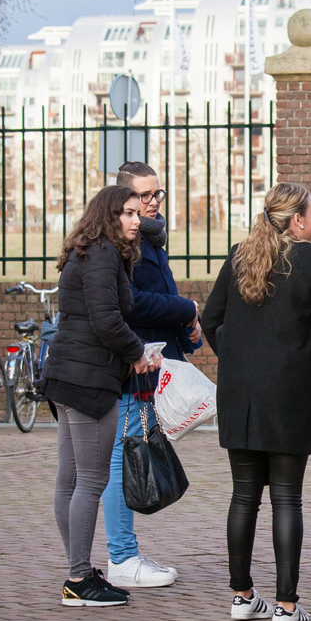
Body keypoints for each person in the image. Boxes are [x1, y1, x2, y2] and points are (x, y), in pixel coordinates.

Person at [200, 182, 311, 621]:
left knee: (244, 495)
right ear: (297, 220)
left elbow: (212, 320)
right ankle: (286, 607)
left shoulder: (240, 254)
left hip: (238, 393)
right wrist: (309, 362)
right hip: (289, 391)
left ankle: (241, 596)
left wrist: (238, 358)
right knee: (287, 497)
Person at [41, 184, 154, 608]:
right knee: (90, 480)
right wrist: (139, 353)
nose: (135, 220)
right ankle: (78, 579)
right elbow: (107, 321)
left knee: (69, 479)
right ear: (108, 215)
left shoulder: (84, 251)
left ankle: (81, 569)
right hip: (89, 380)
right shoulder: (104, 255)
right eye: (127, 213)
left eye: (136, 213)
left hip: (65, 373)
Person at [102, 161, 204, 590]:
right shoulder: (124, 240)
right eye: (143, 196)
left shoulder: (152, 236)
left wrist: (187, 327)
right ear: (125, 200)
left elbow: (161, 293)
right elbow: (133, 303)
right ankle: (121, 557)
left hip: (155, 358)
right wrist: (184, 309)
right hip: (131, 362)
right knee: (121, 460)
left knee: (128, 454)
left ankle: (124, 553)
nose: (152, 202)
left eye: (157, 194)